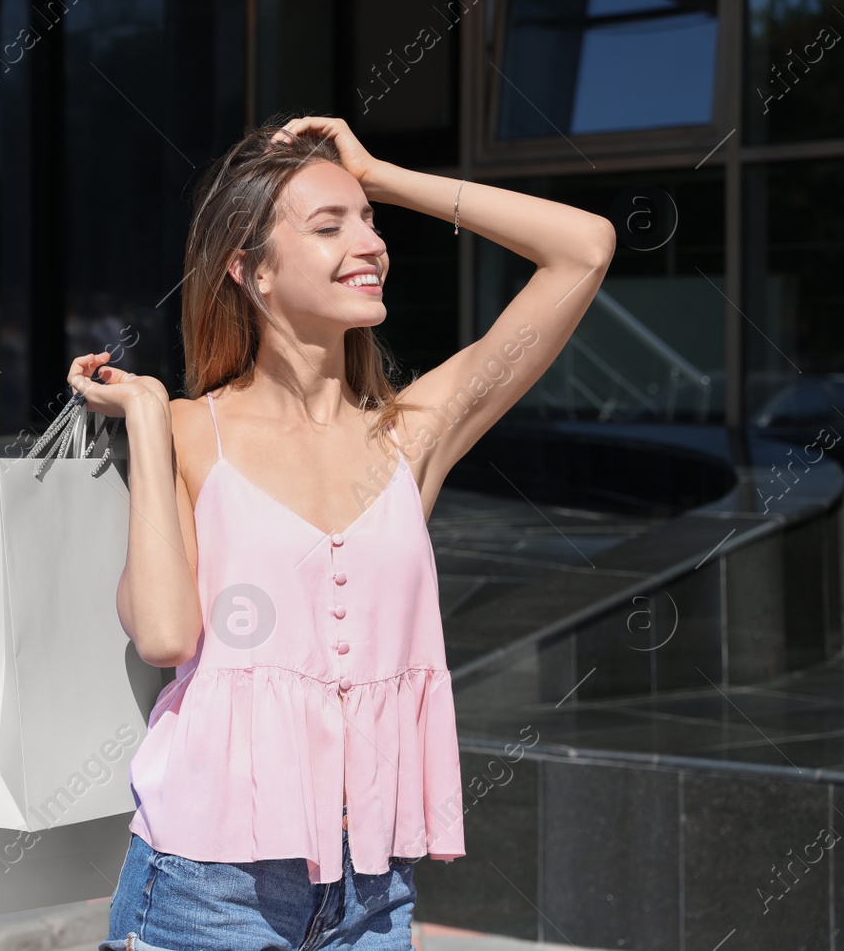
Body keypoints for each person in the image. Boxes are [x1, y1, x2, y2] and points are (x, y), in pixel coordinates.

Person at [66, 115, 615, 950]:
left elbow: (585, 247)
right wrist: (144, 415)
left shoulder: (410, 435)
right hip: (205, 891)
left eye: (371, 221)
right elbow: (167, 635)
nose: (370, 243)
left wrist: (381, 173)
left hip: (372, 894)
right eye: (329, 226)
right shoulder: (183, 433)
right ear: (248, 271)